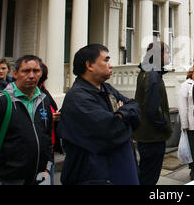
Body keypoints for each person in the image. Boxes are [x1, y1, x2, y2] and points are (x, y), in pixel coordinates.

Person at [58, 44, 140, 185]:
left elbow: (135, 107)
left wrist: (120, 115)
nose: (111, 65)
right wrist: (122, 117)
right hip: (93, 175)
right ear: (89, 65)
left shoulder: (106, 88)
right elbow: (110, 130)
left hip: (118, 170)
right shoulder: (77, 97)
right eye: (106, 60)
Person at [0, 55, 53, 185]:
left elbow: (46, 136)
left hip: (38, 178)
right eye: (26, 71)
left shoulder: (43, 101)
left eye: (36, 71)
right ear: (15, 73)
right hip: (7, 179)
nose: (31, 75)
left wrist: (47, 168)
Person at [133, 41, 172, 185]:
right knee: (149, 177)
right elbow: (152, 109)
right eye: (167, 52)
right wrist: (166, 126)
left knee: (144, 173)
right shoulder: (153, 75)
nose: (169, 56)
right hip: (153, 137)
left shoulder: (145, 72)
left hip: (146, 135)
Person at [178, 65, 194, 180]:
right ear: (191, 73)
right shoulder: (185, 85)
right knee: (192, 147)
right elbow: (182, 106)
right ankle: (193, 170)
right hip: (191, 123)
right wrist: (184, 124)